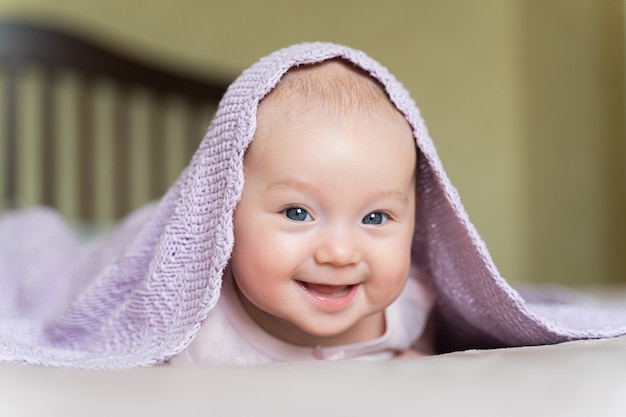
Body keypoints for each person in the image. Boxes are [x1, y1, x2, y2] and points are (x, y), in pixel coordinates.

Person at [170, 60, 435, 365]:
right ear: (224, 211)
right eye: (297, 212)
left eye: (374, 217)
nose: (339, 253)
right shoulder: (191, 334)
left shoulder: (410, 308)